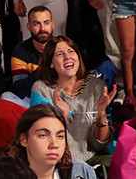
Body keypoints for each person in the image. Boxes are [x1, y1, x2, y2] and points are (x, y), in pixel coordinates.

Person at [30, 36, 115, 165]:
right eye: (60, 54)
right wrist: (62, 115)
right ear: (51, 63)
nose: (67, 57)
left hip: (93, 158)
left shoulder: (96, 87)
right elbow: (42, 140)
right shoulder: (42, 89)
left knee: (121, 164)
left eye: (71, 51)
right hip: (58, 159)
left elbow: (98, 144)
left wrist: (101, 112)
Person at [8, 104, 97, 179]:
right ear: (23, 139)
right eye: (43, 135)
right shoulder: (3, 174)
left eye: (60, 136)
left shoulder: (81, 171)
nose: (54, 144)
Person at [8, 6, 55, 102]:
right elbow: (19, 90)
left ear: (52, 25)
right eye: (36, 24)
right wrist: (41, 69)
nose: (42, 28)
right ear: (29, 27)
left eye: (46, 23)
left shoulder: (61, 47)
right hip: (32, 99)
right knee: (7, 97)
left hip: (59, 98)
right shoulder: (20, 51)